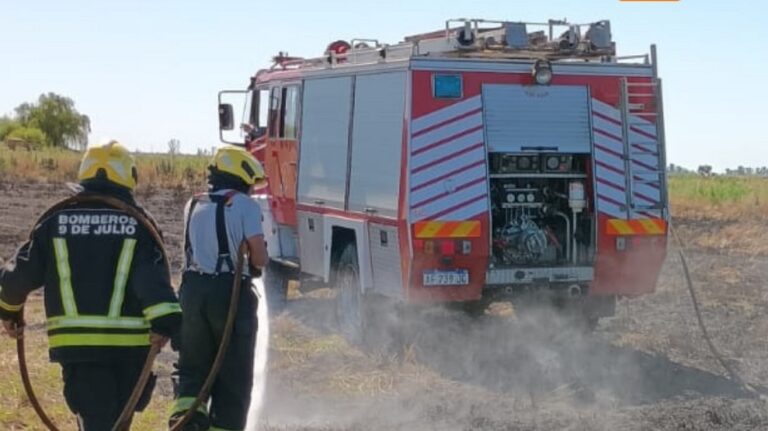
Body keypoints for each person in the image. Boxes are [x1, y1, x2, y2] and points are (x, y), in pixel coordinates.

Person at [0, 140, 182, 430]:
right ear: (129, 178)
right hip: (129, 350)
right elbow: (150, 279)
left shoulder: (55, 220)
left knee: (97, 422)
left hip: (78, 348)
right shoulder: (138, 224)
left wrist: (9, 312)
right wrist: (165, 322)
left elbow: (17, 277)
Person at [170, 146, 268, 431]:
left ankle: (186, 424)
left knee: (192, 371)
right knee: (233, 379)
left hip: (191, 294)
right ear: (241, 176)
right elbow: (259, 257)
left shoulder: (193, 203)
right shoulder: (245, 206)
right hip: (230, 296)